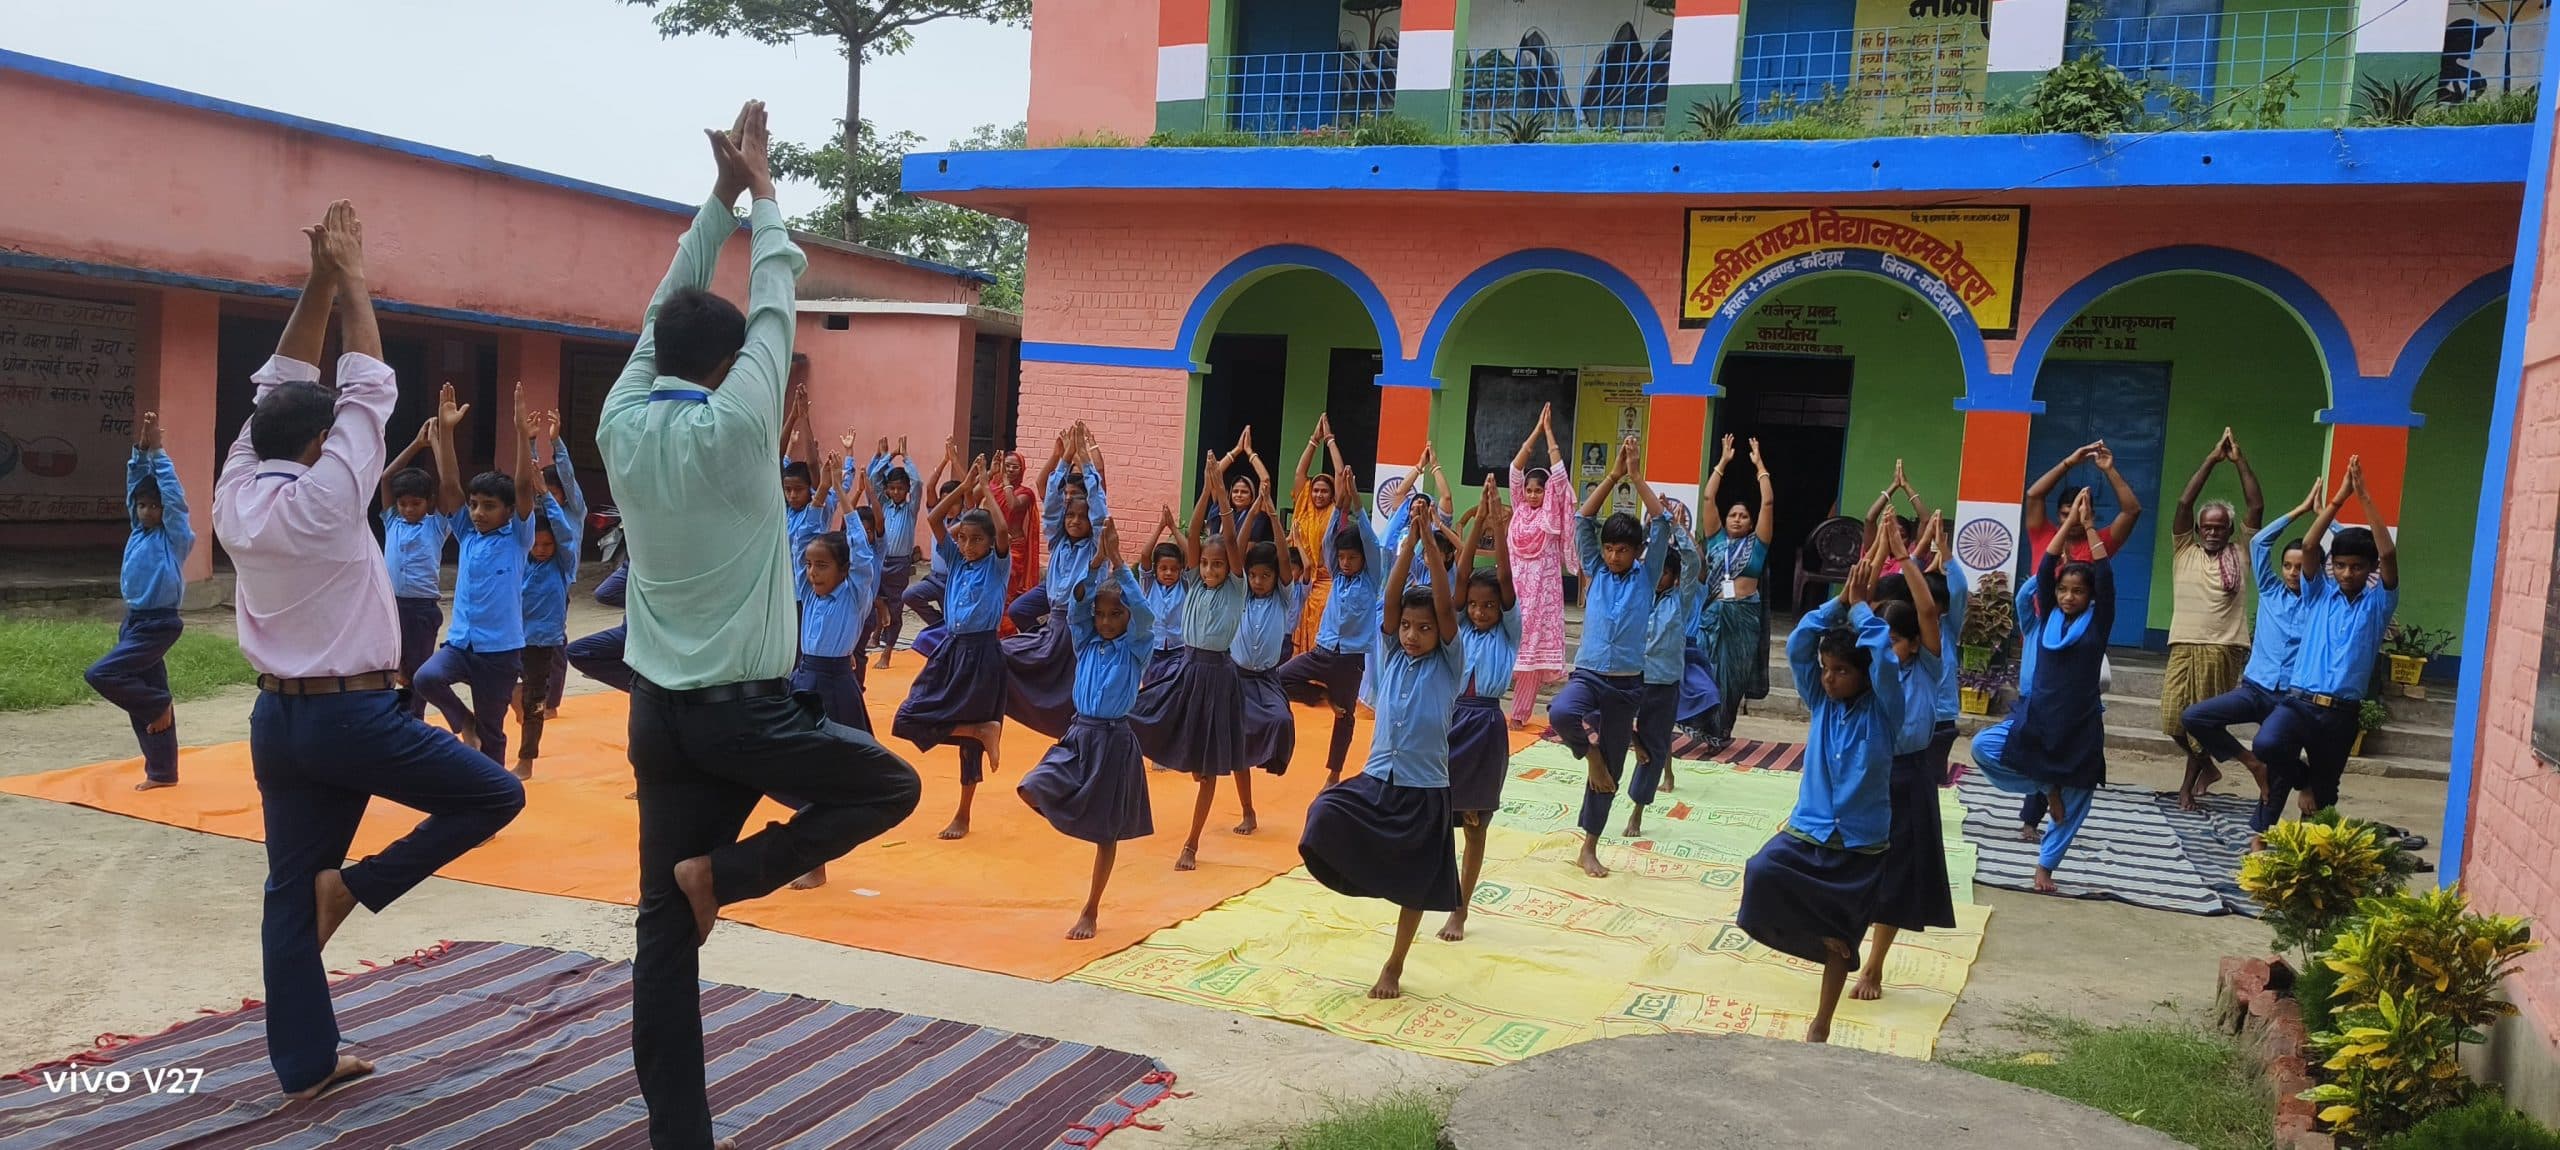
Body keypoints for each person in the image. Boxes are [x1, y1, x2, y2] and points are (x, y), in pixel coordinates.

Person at [596, 103, 922, 1150]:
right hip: (746, 719)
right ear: (737, 362)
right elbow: (773, 295)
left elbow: (665, 309)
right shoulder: (741, 429)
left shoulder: (615, 420)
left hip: (658, 714)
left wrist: (724, 203)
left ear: (660, 352)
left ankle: (677, 1139)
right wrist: (766, 193)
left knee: (661, 942)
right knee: (890, 782)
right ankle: (726, 877)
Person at [215, 199, 525, 1101]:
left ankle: (305, 1067)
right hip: (353, 717)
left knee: (285, 893)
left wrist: (315, 279)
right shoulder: (328, 492)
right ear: (321, 445)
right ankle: (357, 888)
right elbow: (368, 383)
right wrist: (352, 280)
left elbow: (277, 389)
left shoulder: (239, 485)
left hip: (279, 717)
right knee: (494, 793)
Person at [1296, 515, 1466, 1001]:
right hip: (1378, 779)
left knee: (1416, 886)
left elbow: (1446, 611)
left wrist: (1430, 547)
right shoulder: (1389, 654)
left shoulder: (1449, 665)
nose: (1412, 635)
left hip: (1424, 788)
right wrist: (1408, 542)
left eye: (1424, 628)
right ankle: (1371, 878)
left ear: (1439, 633)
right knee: (1323, 814)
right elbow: (1389, 601)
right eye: (1408, 627)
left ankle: (1394, 965)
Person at [1737, 553, 1902, 1044]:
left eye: (1841, 672)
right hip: (1809, 827)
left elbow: (1887, 663)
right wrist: (1838, 606)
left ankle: (1822, 1023)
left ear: (1865, 675)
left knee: (1840, 946)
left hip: (1861, 842)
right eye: (1826, 670)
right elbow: (1802, 644)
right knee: (1760, 872)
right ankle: (1820, 935)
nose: (1829, 679)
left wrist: (1864, 614)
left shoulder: (1884, 710)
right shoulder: (1821, 703)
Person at [1019, 520, 1157, 940]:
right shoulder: (1086, 640)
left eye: (1116, 615)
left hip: (1114, 741)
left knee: (1106, 832)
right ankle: (1075, 812)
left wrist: (1119, 562)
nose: (1106, 621)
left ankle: (1091, 908)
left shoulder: (1136, 647)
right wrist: (1097, 561)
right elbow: (1076, 604)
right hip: (1079, 735)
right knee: (1033, 784)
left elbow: (1145, 616)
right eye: (1101, 615)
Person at [1547, 436, 1671, 879]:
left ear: (1637, 552)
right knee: (1562, 711)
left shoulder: (1646, 575)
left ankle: (1590, 846)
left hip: (1627, 683)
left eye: (1623, 550)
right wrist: (1613, 475)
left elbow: (1662, 522)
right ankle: (1592, 754)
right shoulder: (1596, 570)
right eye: (1609, 549)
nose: (1614, 556)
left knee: (1612, 774)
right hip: (1589, 675)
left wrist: (1636, 477)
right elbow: (1583, 518)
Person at [2250, 458, 2397, 832]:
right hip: (2299, 703)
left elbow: (2389, 554)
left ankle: (2309, 864)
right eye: (2342, 565)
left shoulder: (2378, 604)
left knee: (2324, 800)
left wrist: (2363, 496)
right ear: (2333, 567)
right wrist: (2337, 500)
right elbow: (2312, 545)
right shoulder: (2318, 594)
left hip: (2341, 714)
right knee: (2266, 744)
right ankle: (2304, 780)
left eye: (2358, 567)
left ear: (2369, 571)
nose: (2349, 573)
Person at [1133, 451, 1256, 870]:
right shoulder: (1193, 581)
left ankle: (1192, 843)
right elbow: (1195, 538)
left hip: (1217, 675)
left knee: (1209, 768)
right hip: (1185, 668)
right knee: (1140, 715)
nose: (1209, 570)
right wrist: (1206, 489)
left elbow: (1230, 545)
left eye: (1217, 565)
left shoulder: (1235, 588)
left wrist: (1224, 500)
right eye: (1204, 563)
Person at [1852, 511, 1955, 1002]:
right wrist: (1876, 558)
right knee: (1854, 865)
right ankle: (1843, 949)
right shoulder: (1873, 668)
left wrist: (1905, 558)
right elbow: (1861, 606)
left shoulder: (1928, 669)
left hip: (1910, 775)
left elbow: (1929, 612)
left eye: (1896, 640)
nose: (1888, 648)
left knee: (1896, 878)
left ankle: (1873, 967)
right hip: (1869, 772)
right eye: (1884, 640)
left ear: (1915, 644)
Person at [410, 381, 540, 765]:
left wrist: (520, 433)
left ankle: (493, 800)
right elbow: (449, 484)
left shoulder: (517, 536)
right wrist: (446, 433)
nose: (478, 512)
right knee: (425, 679)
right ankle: (461, 720)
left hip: (499, 653)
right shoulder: (467, 533)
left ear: (506, 510)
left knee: (492, 733)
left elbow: (520, 487)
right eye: (474, 505)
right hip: (461, 644)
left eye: (488, 506)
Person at [1995, 490, 2116, 893]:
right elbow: (2047, 568)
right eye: (2063, 591)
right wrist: (2066, 527)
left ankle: (2045, 867)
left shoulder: (2098, 623)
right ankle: (2047, 787)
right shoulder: (2045, 619)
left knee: (2079, 799)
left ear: (2091, 597)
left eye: (2077, 592)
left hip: (2079, 724)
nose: (2067, 596)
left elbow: (2105, 577)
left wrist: (2091, 527)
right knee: (1984, 748)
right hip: (2038, 717)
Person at [893, 454, 1014, 840]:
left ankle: (963, 814)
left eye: (977, 539)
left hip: (982, 654)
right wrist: (965, 489)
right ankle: (981, 729)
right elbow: (933, 520)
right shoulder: (957, 562)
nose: (968, 545)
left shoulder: (996, 565)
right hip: (951, 648)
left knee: (968, 751)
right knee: (908, 717)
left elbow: (1004, 533)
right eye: (963, 538)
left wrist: (987, 494)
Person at [2182, 478, 2320, 813]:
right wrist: (2300, 511)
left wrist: (2324, 518)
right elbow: (2259, 544)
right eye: (2287, 565)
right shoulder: (2272, 591)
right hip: (2254, 688)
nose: (2291, 572)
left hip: (2289, 698)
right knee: (2194, 717)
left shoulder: (2319, 602)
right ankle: (2251, 764)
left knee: (2278, 757)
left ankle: (2267, 821)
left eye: (2300, 568)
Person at [87, 410, 194, 791]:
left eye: (155, 506)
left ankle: (158, 703)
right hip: (134, 622)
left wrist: (160, 454)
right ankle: (162, 772)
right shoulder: (138, 531)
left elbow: (175, 499)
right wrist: (141, 450)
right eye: (143, 506)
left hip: (159, 623)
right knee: (140, 692)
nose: (148, 510)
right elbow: (135, 483)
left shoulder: (174, 537)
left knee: (102, 674)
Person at [2165, 429, 2265, 810]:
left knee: (2201, 722)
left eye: (2218, 527)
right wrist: (2210, 458)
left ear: (2228, 531)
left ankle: (2187, 787)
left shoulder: (2240, 554)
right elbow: (2185, 500)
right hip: (2182, 644)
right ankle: (2208, 767)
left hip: (2223, 648)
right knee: (2172, 721)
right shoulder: (2183, 549)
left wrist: (2239, 461)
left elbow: (2255, 508)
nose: (2211, 532)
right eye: (2206, 526)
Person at [1439, 481, 1517, 943]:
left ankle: (1460, 910)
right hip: (1451, 722)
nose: (1482, 611)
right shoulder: (1460, 628)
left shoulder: (1507, 634)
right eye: (1474, 606)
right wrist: (1477, 529)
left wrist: (1499, 529)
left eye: (1490, 606)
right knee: (1436, 816)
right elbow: (1462, 576)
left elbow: (1503, 581)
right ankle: (1433, 891)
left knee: (1474, 824)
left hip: (1486, 726)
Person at [1278, 465, 1384, 786]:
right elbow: (1327, 541)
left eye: (1353, 557)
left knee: (1346, 717)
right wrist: (1339, 506)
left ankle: (1334, 774)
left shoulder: (1371, 578)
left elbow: (1369, 540)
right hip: (1321, 653)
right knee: (1277, 679)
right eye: (1343, 558)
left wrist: (1355, 502)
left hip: (1350, 661)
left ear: (1363, 560)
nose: (1347, 562)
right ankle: (1321, 697)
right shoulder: (1336, 576)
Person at [1001, 425, 1107, 736]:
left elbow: (1099, 511)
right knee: (1003, 654)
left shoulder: (1094, 547)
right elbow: (1051, 509)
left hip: (1081, 628)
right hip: (1055, 625)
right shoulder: (1058, 542)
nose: (1074, 521)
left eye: (1081, 518)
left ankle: (1077, 730)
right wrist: (1062, 459)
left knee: (1076, 685)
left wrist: (1085, 462)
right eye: (1070, 517)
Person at [1691, 436, 1775, 751]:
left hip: (1743, 616)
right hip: (1713, 615)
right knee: (1705, 671)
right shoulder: (1715, 541)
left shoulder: (1758, 545)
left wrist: (1760, 466)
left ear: (1751, 521)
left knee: (1732, 678)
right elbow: (1709, 497)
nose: (1737, 519)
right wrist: (1723, 462)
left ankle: (1721, 731)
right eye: (1733, 515)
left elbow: (1768, 503)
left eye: (1743, 515)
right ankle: (1700, 726)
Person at [1231, 487, 1307, 825]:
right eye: (1254, 575)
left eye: (1266, 575)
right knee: (1236, 749)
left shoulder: (1282, 598)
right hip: (1236, 678)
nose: (1259, 581)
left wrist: (1274, 517)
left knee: (1281, 720)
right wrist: (1251, 515)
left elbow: (1282, 556)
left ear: (1277, 578)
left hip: (1265, 679)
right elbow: (1236, 549)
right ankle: (1247, 810)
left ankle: (1273, 760)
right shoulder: (1241, 595)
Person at [511, 411, 580, 780]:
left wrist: (554, 444)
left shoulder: (562, 561)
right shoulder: (521, 559)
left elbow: (564, 534)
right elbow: (524, 504)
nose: (541, 549)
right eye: (536, 544)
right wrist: (528, 441)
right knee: (510, 690)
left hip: (542, 638)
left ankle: (527, 759)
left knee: (535, 700)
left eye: (547, 544)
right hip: (511, 636)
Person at [1624, 509, 1702, 836]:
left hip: (1663, 683)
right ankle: (1647, 753)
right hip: (1630, 676)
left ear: (1672, 577)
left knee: (1656, 741)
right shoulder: (1636, 592)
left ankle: (1637, 812)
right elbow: (1638, 552)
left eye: (1664, 574)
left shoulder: (1679, 600)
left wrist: (1674, 526)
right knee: (1613, 727)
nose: (1657, 579)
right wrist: (1649, 528)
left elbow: (1693, 563)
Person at [1506, 403, 1574, 729]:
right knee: (1507, 644)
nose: (1532, 495)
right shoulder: (1519, 509)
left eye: (1538, 490)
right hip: (1518, 590)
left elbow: (1560, 477)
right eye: (1529, 490)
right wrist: (1533, 431)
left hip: (1542, 594)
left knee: (1531, 656)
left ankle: (1519, 716)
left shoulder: (1552, 513)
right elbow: (1515, 471)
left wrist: (1549, 434)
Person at [377, 424, 449, 715]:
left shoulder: (435, 525)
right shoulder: (392, 521)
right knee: (390, 667)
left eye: (416, 503)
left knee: (418, 671)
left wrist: (437, 446)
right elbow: (386, 478)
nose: (408, 509)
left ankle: (415, 722)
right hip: (390, 606)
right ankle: (390, 718)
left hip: (421, 608)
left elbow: (448, 485)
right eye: (403, 504)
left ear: (429, 503)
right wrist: (416, 445)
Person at [2022, 440, 2143, 563]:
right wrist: (2067, 463)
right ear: (2058, 514)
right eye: (2066, 515)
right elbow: (2034, 495)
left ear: (2092, 515)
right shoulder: (2043, 533)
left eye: (2080, 514)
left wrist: (2109, 470)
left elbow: (2132, 511)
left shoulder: (2100, 543)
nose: (2073, 520)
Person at [1289, 415, 1348, 655]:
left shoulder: (1336, 512)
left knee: (1320, 626)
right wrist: (1314, 440)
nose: (1319, 495)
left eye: (1325, 491)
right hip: (1297, 578)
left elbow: (1341, 472)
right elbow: (1300, 471)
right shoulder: (1304, 506)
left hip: (1324, 582)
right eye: (1316, 490)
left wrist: (1330, 439)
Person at [867, 436, 920, 667]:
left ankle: (887, 650)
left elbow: (918, 483)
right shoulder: (883, 505)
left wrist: (905, 457)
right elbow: (872, 479)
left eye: (901, 488)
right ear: (887, 491)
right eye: (892, 488)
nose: (896, 492)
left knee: (896, 605)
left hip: (899, 562)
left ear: (906, 490)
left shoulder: (910, 509)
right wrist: (887, 456)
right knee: (872, 597)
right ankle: (878, 626)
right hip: (880, 558)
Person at [566, 561, 633, 694]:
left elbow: (606, 593)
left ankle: (648, 690)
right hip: (634, 631)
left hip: (649, 634)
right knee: (577, 652)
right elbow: (605, 593)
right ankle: (645, 689)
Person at [993, 446, 1043, 622]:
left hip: (1015, 546)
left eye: (1015, 467)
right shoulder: (995, 487)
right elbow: (975, 496)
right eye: (1007, 466)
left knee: (1010, 589)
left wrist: (1006, 483)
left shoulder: (1026, 493)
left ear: (1022, 469)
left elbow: (1013, 505)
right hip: (995, 545)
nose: (1010, 470)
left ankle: (1009, 628)